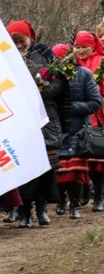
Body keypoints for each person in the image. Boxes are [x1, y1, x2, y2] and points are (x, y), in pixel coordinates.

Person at [6, 20, 64, 227]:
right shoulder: (6, 58)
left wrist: (38, 93)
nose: (19, 46)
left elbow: (59, 81)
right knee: (23, 165)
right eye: (14, 43)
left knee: (46, 166)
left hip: (44, 115)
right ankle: (25, 211)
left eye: (21, 41)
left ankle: (42, 208)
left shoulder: (45, 53)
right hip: (18, 118)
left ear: (29, 38)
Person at [52, 44, 101, 218]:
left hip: (78, 128)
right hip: (56, 129)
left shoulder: (84, 74)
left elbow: (95, 102)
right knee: (58, 168)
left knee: (76, 170)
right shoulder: (48, 76)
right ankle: (60, 200)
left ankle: (75, 205)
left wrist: (69, 107)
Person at [73, 31, 104, 211]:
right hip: (78, 114)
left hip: (98, 112)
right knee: (81, 154)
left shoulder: (100, 61)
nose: (81, 50)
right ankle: (83, 190)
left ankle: (99, 196)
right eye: (78, 47)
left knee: (97, 156)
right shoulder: (72, 63)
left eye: (84, 47)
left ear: (92, 47)